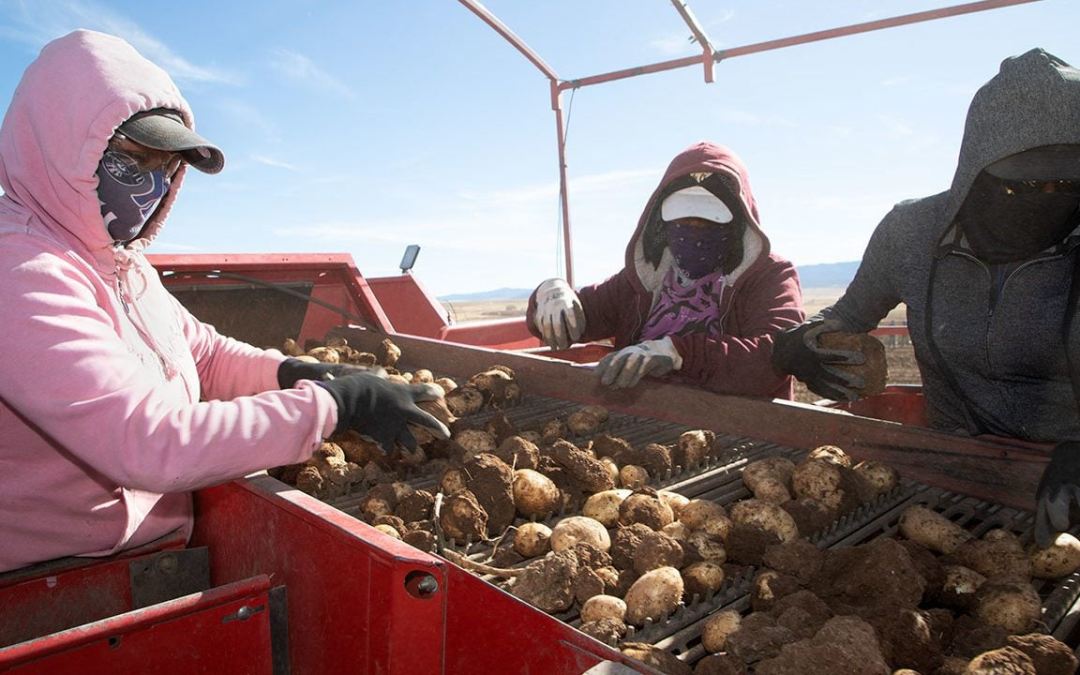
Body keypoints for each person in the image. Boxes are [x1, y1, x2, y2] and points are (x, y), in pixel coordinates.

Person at [0, 30, 449, 573]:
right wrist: (334, 407)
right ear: (57, 142)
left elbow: (203, 354)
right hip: (48, 586)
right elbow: (148, 442)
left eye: (166, 167)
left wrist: (291, 371)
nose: (153, 185)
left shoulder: (120, 262)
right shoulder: (22, 273)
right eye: (133, 159)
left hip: (142, 558)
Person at [770, 48, 1080, 546]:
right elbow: (847, 315)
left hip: (1062, 489)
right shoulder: (912, 234)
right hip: (949, 475)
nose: (1045, 198)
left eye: (1063, 182)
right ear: (975, 168)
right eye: (1016, 186)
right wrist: (799, 343)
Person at [527, 141, 805, 398]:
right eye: (683, 223)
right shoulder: (647, 277)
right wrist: (551, 292)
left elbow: (776, 356)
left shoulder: (769, 277)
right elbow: (577, 316)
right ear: (662, 223)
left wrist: (677, 352)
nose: (694, 233)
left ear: (737, 223)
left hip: (738, 429)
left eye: (708, 224)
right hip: (646, 419)